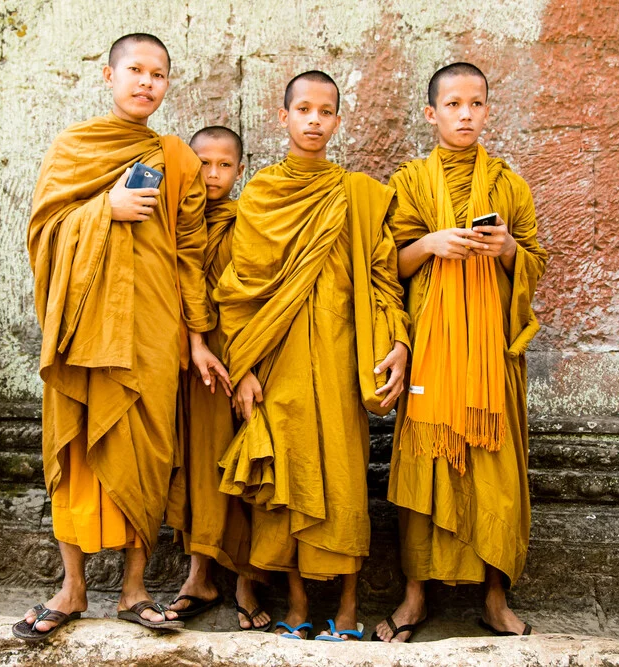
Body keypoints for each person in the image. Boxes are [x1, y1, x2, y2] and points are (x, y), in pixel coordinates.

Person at [18, 33, 230, 642]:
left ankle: (135, 589)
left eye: (158, 74)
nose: (146, 82)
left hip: (155, 327)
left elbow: (190, 252)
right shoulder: (74, 148)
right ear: (108, 76)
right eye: (135, 70)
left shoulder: (179, 158)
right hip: (85, 329)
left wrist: (196, 338)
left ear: (168, 84)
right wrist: (101, 210)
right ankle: (73, 586)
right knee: (79, 443)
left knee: (148, 448)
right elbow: (42, 232)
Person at [214, 71, 410, 641]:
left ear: (337, 121)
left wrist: (397, 339)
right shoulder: (261, 194)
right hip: (276, 361)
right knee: (288, 479)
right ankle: (297, 603)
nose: (314, 120)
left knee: (346, 479)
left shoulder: (359, 196)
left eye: (326, 111)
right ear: (284, 117)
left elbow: (381, 277)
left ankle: (347, 608)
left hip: (342, 355)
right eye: (303, 109)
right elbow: (240, 286)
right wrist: (243, 367)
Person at [373, 62, 548, 643]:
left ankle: (495, 597)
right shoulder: (409, 183)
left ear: (488, 112)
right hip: (430, 351)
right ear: (431, 113)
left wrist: (507, 250)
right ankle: (415, 595)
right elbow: (385, 266)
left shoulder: (508, 184)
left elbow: (537, 262)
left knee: (495, 473)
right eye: (452, 104)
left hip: (489, 356)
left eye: (475, 104)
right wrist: (428, 244)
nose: (465, 114)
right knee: (423, 470)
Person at [165, 126, 271, 631]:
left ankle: (248, 579)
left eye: (224, 165)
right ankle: (198, 574)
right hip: (187, 360)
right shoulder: (172, 222)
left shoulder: (247, 221)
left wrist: (246, 364)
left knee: (240, 464)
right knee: (195, 464)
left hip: (237, 358)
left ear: (240, 170)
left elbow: (254, 296)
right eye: (203, 163)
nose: (212, 174)